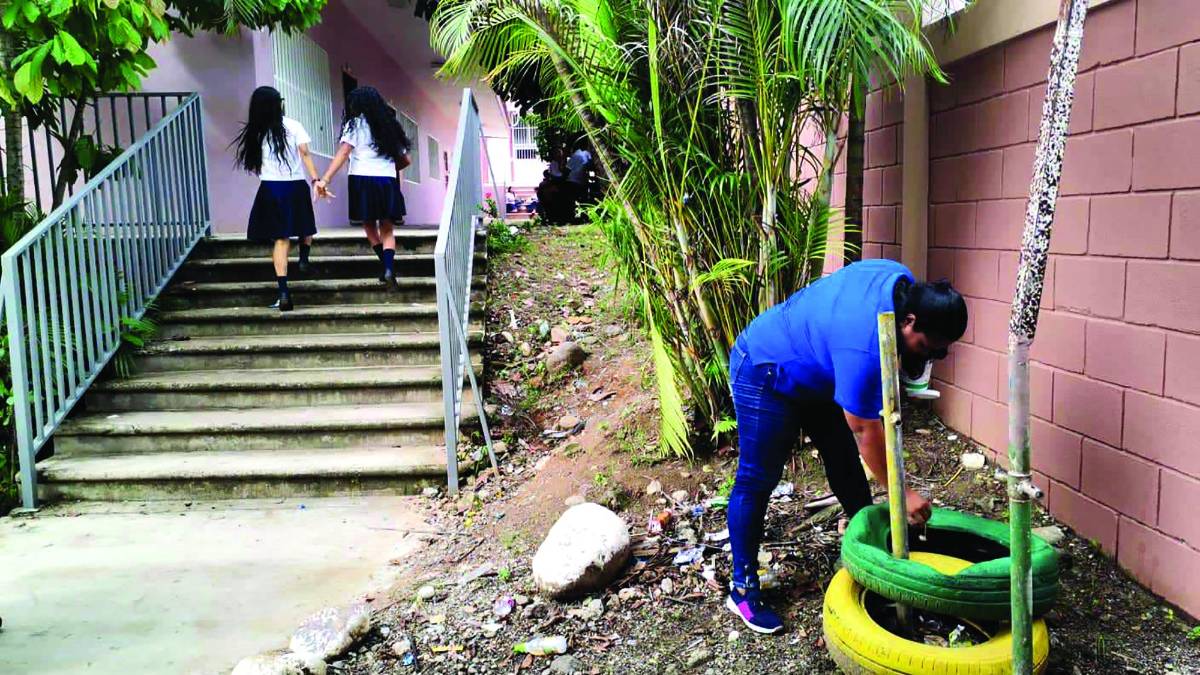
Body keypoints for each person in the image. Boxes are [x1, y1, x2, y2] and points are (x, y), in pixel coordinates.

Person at [725, 259, 967, 635]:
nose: (929, 357)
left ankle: (872, 558)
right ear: (910, 321)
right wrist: (902, 495)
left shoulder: (898, 280)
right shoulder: (864, 348)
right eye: (926, 347)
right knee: (758, 478)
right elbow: (865, 432)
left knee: (844, 464)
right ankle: (741, 588)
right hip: (765, 368)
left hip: (816, 370)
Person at [232, 85, 324, 312]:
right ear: (278, 104)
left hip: (271, 188)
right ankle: (304, 257)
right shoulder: (293, 125)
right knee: (305, 225)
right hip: (295, 185)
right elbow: (304, 153)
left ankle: (284, 293)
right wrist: (316, 180)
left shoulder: (256, 130)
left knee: (281, 240)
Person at [318, 86, 411, 288]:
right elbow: (405, 160)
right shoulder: (390, 126)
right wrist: (388, 166)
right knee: (387, 227)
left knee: (368, 224)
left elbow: (343, 154)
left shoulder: (355, 125)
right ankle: (388, 268)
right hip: (386, 180)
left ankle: (386, 267)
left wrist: (325, 179)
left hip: (361, 179)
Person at [564, 143, 592, 222]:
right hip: (581, 180)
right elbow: (589, 165)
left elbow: (567, 169)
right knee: (583, 200)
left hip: (572, 180)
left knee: (572, 200)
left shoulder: (575, 155)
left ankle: (574, 218)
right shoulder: (587, 154)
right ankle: (584, 217)